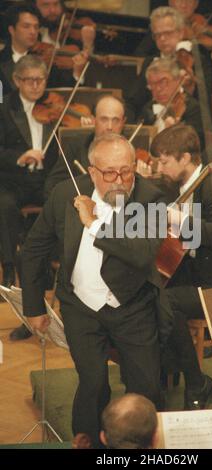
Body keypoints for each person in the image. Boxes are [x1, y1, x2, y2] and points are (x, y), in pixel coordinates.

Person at [21, 133, 173, 448]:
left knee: (146, 386)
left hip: (133, 305)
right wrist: (34, 307)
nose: (119, 181)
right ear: (91, 171)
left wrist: (93, 223)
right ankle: (89, 440)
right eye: (109, 173)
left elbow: (142, 254)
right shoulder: (65, 193)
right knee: (92, 383)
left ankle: (145, 445)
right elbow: (34, 250)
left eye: (126, 172)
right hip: (81, 306)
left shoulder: (152, 199)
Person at [150, 124, 212, 408]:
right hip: (197, 276)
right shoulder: (179, 186)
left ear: (185, 158)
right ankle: (161, 373)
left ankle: (197, 383)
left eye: (164, 161)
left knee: (167, 302)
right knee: (148, 290)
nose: (159, 166)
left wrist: (178, 221)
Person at [0, 55, 58, 294]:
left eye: (40, 80)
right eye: (29, 80)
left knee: (63, 204)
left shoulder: (54, 108)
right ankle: (10, 266)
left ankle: (48, 267)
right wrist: (19, 157)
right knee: (4, 205)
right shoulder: (4, 108)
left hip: (44, 180)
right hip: (12, 180)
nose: (36, 85)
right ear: (17, 80)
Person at [125, 6, 212, 123]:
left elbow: (205, 103)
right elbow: (133, 101)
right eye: (157, 35)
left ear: (180, 32)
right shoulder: (150, 62)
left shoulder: (197, 61)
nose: (162, 38)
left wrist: (191, 86)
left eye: (167, 33)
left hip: (188, 123)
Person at [44, 94, 126, 196]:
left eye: (115, 120)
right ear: (93, 119)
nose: (110, 127)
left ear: (123, 122)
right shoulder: (76, 146)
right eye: (104, 119)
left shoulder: (130, 151)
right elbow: (52, 185)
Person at [0, 3, 88, 95]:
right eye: (26, 26)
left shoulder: (47, 61)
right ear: (12, 30)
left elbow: (69, 94)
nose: (33, 32)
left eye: (36, 27)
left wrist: (77, 72)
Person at [142, 57, 204, 145]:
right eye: (152, 84)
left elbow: (193, 146)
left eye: (163, 82)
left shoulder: (193, 108)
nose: (158, 89)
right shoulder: (147, 108)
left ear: (178, 80)